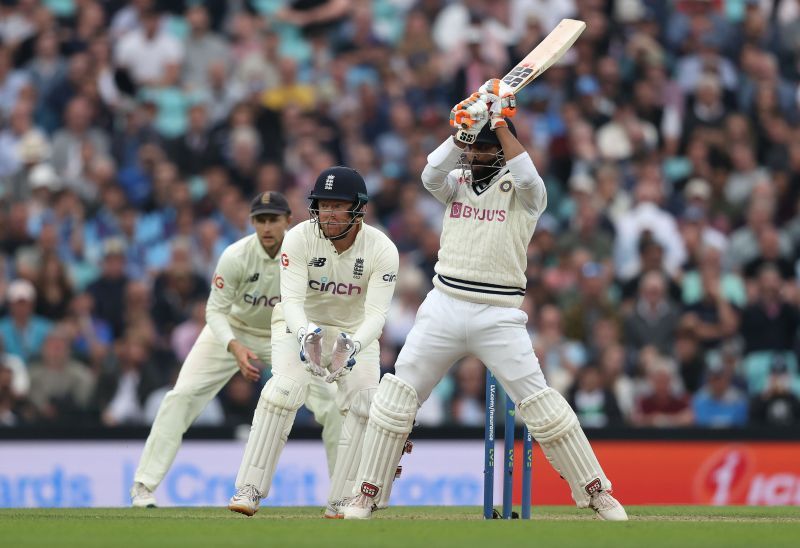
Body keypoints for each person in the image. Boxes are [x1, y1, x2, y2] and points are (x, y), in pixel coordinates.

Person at [341, 84, 627, 520]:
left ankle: (596, 492)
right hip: (444, 305)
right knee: (395, 399)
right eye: (473, 150)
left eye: (483, 149)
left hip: (499, 315)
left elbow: (529, 174)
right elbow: (428, 176)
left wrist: (496, 122)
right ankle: (367, 493)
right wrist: (465, 128)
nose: (474, 157)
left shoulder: (526, 193)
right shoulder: (456, 182)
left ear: (501, 150)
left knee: (542, 406)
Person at [130, 191, 342, 507]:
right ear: (252, 222)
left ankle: (342, 493)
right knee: (181, 397)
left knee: (332, 403)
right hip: (233, 330)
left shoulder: (309, 254)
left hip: (285, 332)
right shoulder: (235, 256)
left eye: (274, 219)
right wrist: (234, 346)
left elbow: (321, 304)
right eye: (261, 220)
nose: (267, 227)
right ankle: (143, 486)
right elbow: (214, 311)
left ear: (288, 220)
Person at [227, 166, 399, 518]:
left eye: (338, 205)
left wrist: (352, 346)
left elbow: (377, 315)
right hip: (300, 324)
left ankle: (343, 499)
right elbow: (290, 300)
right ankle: (250, 489)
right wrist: (306, 334)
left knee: (364, 403)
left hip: (354, 331)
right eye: (323, 204)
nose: (329, 213)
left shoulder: (382, 248)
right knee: (284, 391)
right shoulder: (300, 237)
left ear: (358, 208)